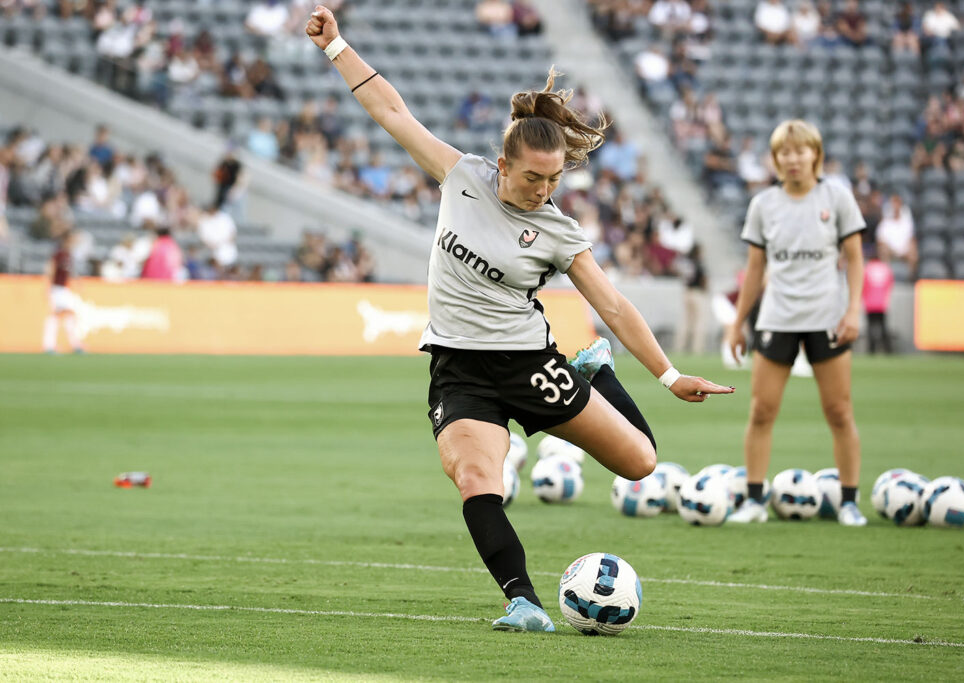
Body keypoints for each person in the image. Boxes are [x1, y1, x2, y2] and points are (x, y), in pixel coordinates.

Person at [305, 5, 735, 632]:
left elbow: (611, 304)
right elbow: (393, 112)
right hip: (460, 369)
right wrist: (335, 45)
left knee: (641, 464)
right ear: (503, 165)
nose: (544, 190)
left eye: (555, 178)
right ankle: (523, 600)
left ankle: (596, 372)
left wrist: (669, 376)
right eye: (535, 177)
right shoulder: (462, 178)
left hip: (530, 364)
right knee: (477, 478)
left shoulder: (559, 231)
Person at [724, 119, 867, 526]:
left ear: (815, 155)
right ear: (775, 159)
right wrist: (737, 324)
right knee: (762, 411)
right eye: (784, 152)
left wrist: (853, 309)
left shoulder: (837, 197)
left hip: (827, 317)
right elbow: (755, 270)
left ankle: (849, 502)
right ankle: (754, 499)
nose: (792, 159)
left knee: (839, 411)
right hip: (777, 318)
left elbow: (855, 257)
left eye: (800, 150)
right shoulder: (763, 205)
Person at [43, 230, 85, 354]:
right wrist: (48, 287)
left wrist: (78, 281)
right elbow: (50, 269)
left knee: (69, 314)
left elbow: (70, 272)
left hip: (63, 289)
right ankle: (49, 345)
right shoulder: (58, 255)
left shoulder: (68, 255)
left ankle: (75, 344)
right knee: (55, 315)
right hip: (56, 289)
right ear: (66, 240)